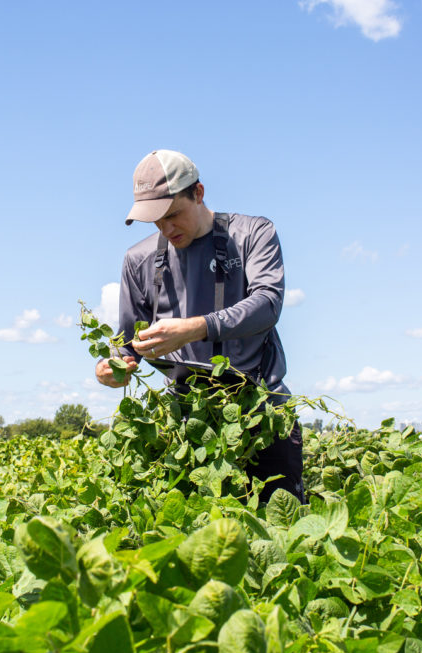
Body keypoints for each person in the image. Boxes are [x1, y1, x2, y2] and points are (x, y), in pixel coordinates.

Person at [94, 149, 305, 504]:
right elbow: (129, 342)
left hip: (261, 408)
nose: (167, 228)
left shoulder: (253, 233)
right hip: (187, 419)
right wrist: (114, 365)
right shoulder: (138, 260)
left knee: (281, 527)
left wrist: (197, 327)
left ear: (199, 193)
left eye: (173, 215)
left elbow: (268, 303)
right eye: (156, 222)